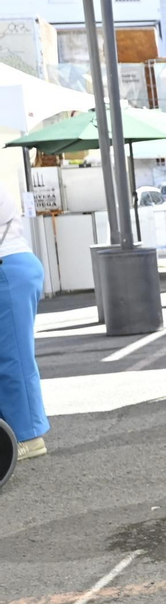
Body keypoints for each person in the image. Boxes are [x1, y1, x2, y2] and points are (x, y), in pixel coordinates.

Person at [0, 183, 47, 463]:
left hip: (8, 268)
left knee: (13, 358)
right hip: (11, 267)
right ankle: (10, 433)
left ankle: (28, 437)